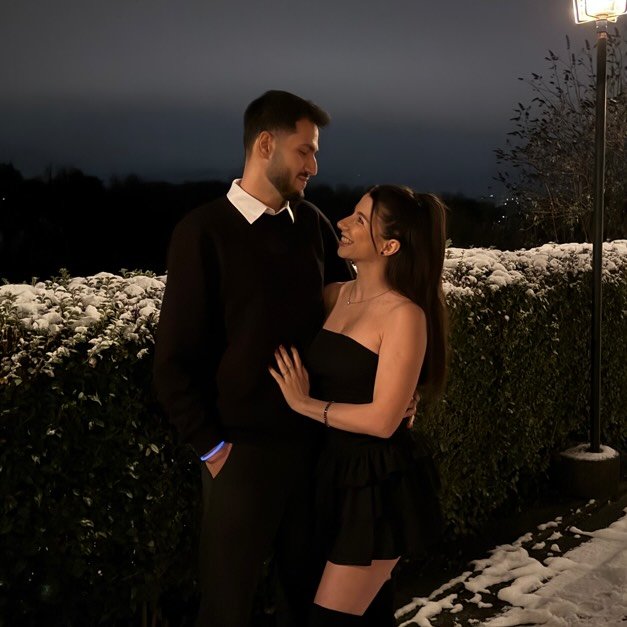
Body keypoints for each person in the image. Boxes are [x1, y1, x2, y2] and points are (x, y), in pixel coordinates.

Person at [152, 90, 355, 627]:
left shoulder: (313, 225)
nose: (314, 165)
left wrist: (393, 386)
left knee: (309, 604)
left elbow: (357, 319)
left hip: (312, 446)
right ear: (266, 144)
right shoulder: (202, 232)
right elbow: (172, 360)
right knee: (226, 610)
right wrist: (213, 448)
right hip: (239, 456)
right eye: (304, 151)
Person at [269, 185, 448, 626]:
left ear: (389, 246)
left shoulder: (404, 314)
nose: (343, 223)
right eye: (352, 213)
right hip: (326, 473)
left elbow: (384, 421)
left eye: (360, 220)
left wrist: (304, 403)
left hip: (375, 484)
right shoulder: (335, 295)